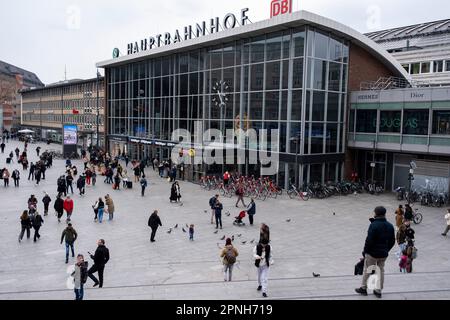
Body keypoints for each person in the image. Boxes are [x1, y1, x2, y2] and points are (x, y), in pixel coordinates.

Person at [355, 206, 395, 299]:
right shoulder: (390, 225)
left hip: (372, 253)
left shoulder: (373, 225)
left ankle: (363, 288)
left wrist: (365, 251)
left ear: (376, 214)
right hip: (383, 254)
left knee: (367, 270)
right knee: (380, 271)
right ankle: (378, 291)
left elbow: (369, 240)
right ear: (384, 214)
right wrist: (386, 249)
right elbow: (393, 241)